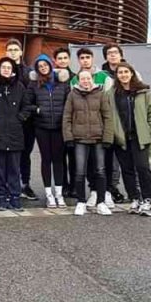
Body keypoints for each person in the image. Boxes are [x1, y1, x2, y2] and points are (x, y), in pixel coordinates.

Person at [110, 62, 151, 217]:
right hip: (122, 138)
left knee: (143, 168)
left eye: (126, 72)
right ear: (116, 76)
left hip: (140, 138)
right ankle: (135, 199)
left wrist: (148, 132)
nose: (123, 75)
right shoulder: (112, 93)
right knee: (127, 170)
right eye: (120, 72)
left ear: (132, 73)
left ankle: (147, 200)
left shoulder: (144, 92)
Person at [75, 47, 123, 204]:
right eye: (82, 58)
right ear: (79, 61)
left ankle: (107, 191)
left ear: (92, 59)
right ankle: (94, 191)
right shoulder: (75, 80)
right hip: (84, 130)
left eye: (87, 57)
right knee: (89, 162)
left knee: (105, 161)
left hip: (102, 128)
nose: (85, 60)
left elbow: (110, 103)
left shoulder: (105, 77)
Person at [0, 57, 35, 211]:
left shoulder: (20, 87)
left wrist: (20, 118)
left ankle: (14, 196)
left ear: (13, 70)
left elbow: (27, 106)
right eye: (3, 67)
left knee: (14, 168)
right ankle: (1, 198)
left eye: (9, 67)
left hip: (15, 133)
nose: (6, 70)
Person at [63, 70, 113, 216]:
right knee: (79, 172)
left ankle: (101, 202)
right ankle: (81, 202)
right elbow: (67, 116)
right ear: (78, 80)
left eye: (88, 78)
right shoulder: (73, 95)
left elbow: (107, 116)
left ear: (92, 79)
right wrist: (68, 137)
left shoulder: (100, 93)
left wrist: (108, 138)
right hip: (79, 139)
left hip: (98, 138)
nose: (85, 81)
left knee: (101, 170)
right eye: (82, 78)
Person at [29, 54, 69, 208]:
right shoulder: (34, 85)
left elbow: (69, 102)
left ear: (50, 65)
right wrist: (37, 109)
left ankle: (59, 193)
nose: (43, 68)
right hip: (42, 127)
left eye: (45, 65)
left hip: (59, 127)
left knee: (58, 160)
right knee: (46, 160)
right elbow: (27, 103)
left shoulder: (62, 83)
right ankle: (48, 194)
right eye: (40, 66)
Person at [6, 39, 38, 200]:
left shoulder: (29, 72)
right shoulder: (1, 70)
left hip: (26, 121)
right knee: (8, 153)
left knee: (25, 153)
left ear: (20, 52)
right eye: (10, 49)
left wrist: (27, 113)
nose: (12, 52)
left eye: (15, 49)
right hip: (7, 120)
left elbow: (33, 95)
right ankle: (10, 184)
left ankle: (25, 184)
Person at [53, 47, 78, 199]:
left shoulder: (75, 77)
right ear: (55, 60)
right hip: (56, 123)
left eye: (65, 58)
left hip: (74, 123)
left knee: (74, 157)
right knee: (59, 157)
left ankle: (75, 186)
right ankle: (63, 185)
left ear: (69, 59)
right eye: (59, 58)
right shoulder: (51, 77)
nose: (62, 61)